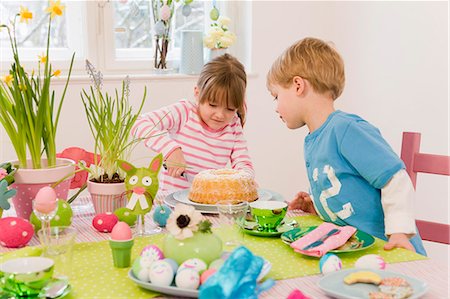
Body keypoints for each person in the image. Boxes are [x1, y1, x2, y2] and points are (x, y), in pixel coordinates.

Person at [266, 37, 426, 255]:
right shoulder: (314, 139)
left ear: (297, 85)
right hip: (357, 252)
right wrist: (316, 206)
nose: (276, 107)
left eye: (276, 96)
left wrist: (399, 232)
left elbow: (395, 178)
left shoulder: (346, 129)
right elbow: (348, 199)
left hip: (394, 252)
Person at [132, 54, 254, 192]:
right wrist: (170, 149)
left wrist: (246, 180)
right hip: (170, 206)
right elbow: (139, 123)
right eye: (213, 105)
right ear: (197, 93)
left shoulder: (233, 125)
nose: (220, 115)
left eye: (230, 108)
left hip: (207, 204)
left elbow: (243, 162)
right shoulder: (183, 112)